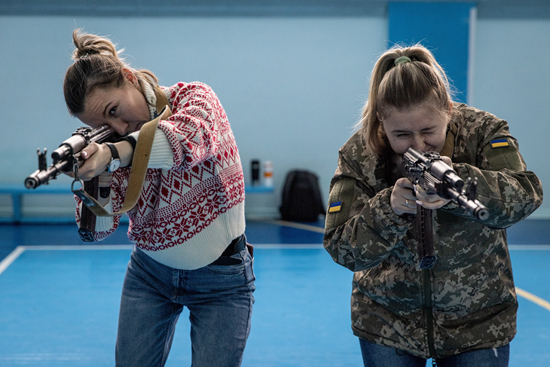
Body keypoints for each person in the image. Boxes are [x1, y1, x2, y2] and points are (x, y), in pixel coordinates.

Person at [323, 44, 543, 367]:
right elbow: (340, 244)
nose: (418, 144)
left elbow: (526, 194)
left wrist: (461, 182)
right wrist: (389, 209)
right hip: (388, 323)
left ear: (448, 111)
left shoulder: (483, 132)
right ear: (382, 123)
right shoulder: (360, 153)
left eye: (428, 131)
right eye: (401, 135)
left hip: (477, 324)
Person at [62, 29, 255, 367]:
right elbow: (100, 230)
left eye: (114, 109)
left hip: (222, 280)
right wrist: (93, 179)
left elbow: (183, 141)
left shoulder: (195, 98)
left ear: (128, 77)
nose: (119, 126)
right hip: (149, 274)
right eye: (103, 124)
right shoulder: (113, 148)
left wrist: (111, 153)